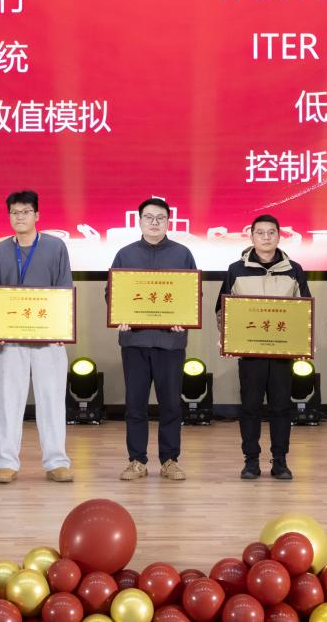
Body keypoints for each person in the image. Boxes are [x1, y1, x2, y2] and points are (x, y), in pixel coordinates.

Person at [216, 214, 312, 481]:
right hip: (250, 353)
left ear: (279, 236)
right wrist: (229, 338)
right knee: (250, 407)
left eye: (271, 232)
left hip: (282, 353)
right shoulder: (236, 269)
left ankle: (280, 461)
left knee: (281, 407)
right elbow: (222, 310)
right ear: (252, 237)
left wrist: (301, 343)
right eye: (260, 232)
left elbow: (304, 310)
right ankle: (251, 461)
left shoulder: (294, 270)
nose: (266, 237)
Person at [0, 190, 74, 484]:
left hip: (49, 338)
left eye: (25, 212)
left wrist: (63, 328)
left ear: (37, 215)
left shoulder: (55, 247)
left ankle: (56, 462)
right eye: (15, 212)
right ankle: (5, 463)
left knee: (52, 400)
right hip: (9, 340)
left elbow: (64, 288)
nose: (20, 217)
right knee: (7, 401)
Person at [110, 197, 198, 482]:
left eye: (161, 217)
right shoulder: (125, 254)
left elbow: (193, 294)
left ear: (169, 221)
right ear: (139, 221)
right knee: (135, 404)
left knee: (170, 404)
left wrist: (184, 318)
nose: (155, 222)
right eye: (149, 217)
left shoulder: (182, 254)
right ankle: (137, 461)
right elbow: (112, 292)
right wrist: (120, 316)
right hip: (134, 342)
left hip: (170, 343)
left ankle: (170, 460)